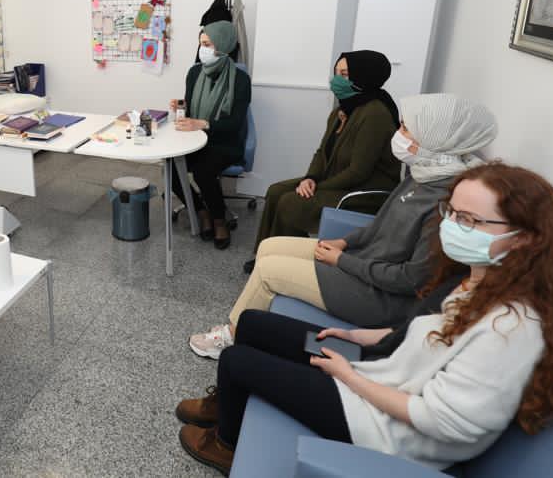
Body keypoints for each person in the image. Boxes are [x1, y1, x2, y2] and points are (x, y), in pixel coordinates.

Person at [176, 163, 553, 475]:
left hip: (384, 427)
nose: (450, 226)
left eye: (469, 220)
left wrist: (348, 376)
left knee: (238, 361)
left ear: (524, 238)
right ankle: (226, 405)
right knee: (254, 324)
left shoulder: (513, 328)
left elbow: (440, 421)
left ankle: (225, 445)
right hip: (381, 372)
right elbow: (429, 334)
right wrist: (362, 337)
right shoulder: (481, 279)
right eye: (451, 213)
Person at [190, 94, 497, 359]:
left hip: (379, 297)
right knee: (270, 247)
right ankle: (256, 323)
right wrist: (345, 243)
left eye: (406, 129)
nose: (398, 134)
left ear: (435, 139)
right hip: (362, 263)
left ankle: (233, 335)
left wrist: (341, 261)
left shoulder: (448, 202)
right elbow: (378, 226)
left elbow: (409, 280)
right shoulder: (422, 174)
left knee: (269, 271)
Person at [245, 50, 401, 274]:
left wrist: (318, 186)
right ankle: (267, 253)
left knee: (292, 202)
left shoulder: (375, 114)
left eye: (344, 74)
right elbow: (321, 152)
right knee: (276, 190)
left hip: (365, 191)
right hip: (338, 179)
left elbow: (359, 171)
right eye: (336, 72)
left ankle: (289, 261)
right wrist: (310, 178)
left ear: (364, 76)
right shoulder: (343, 110)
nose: (337, 79)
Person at [170, 20, 251, 249]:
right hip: (195, 140)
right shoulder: (195, 72)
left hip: (225, 142)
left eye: (207, 44)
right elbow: (190, 108)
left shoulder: (240, 80)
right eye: (201, 44)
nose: (202, 50)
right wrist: (181, 106)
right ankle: (200, 210)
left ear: (223, 45)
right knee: (171, 167)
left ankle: (219, 220)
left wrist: (203, 123)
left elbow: (234, 123)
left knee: (203, 171)